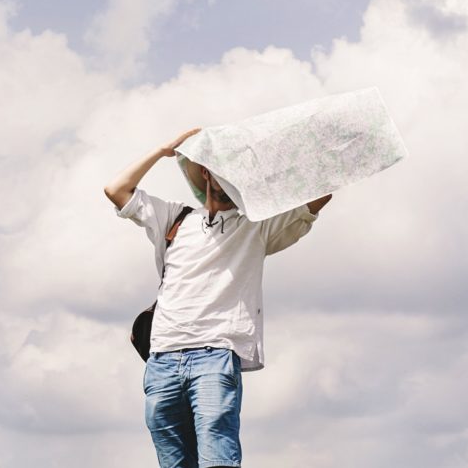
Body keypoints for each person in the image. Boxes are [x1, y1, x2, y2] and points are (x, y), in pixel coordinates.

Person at [104, 128, 333, 468]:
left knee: (217, 459)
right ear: (207, 173)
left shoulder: (257, 227)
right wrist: (163, 149)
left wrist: (277, 158)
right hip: (162, 357)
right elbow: (116, 189)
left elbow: (319, 195)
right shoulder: (175, 218)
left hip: (215, 355)